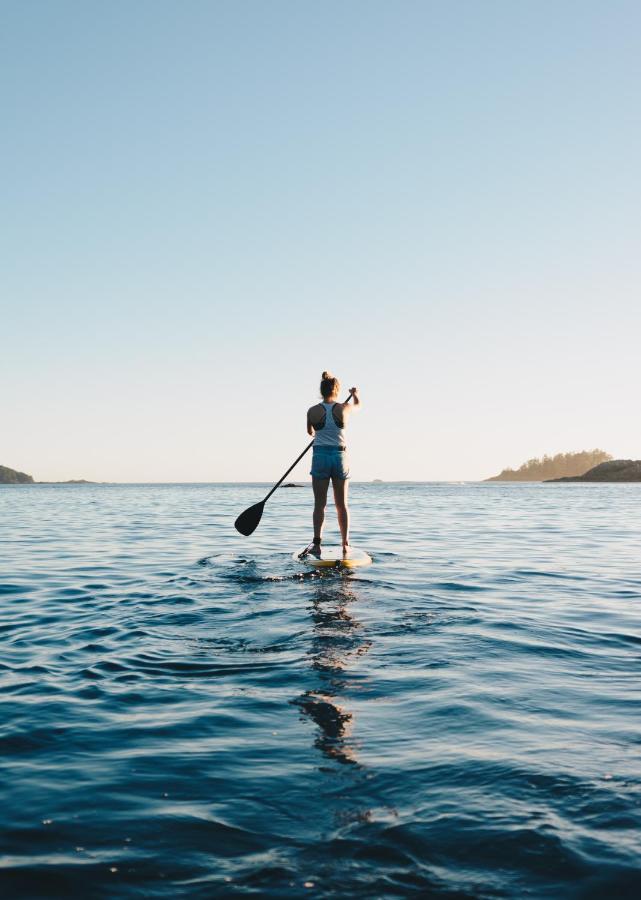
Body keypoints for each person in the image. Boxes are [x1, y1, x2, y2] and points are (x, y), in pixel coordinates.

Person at [306, 371, 360, 556]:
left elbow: (310, 432)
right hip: (339, 456)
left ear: (321, 390)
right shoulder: (344, 408)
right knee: (341, 504)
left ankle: (317, 544)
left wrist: (321, 433)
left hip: (320, 456)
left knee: (319, 504)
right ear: (336, 390)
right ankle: (345, 544)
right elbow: (357, 406)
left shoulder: (312, 411)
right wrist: (354, 395)